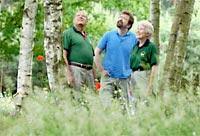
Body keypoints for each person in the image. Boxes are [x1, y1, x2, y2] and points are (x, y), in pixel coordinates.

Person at [94, 11, 137, 112]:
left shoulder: (134, 38)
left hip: (124, 79)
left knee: (124, 109)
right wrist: (101, 69)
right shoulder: (109, 35)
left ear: (129, 24)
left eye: (124, 18)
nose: (120, 19)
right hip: (108, 78)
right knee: (105, 106)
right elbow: (96, 52)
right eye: (120, 17)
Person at [63, 10, 95, 94]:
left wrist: (94, 75)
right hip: (76, 69)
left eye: (83, 16)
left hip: (89, 71)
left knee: (91, 97)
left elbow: (92, 57)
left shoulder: (87, 37)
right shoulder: (68, 33)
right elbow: (64, 54)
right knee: (77, 96)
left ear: (87, 21)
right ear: (74, 19)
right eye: (78, 15)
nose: (81, 17)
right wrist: (68, 73)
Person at [130, 20, 158, 98]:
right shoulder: (135, 46)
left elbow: (155, 67)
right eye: (137, 29)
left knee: (144, 100)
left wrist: (150, 85)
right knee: (133, 102)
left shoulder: (151, 47)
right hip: (132, 76)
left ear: (147, 33)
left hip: (144, 75)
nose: (138, 31)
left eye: (141, 29)